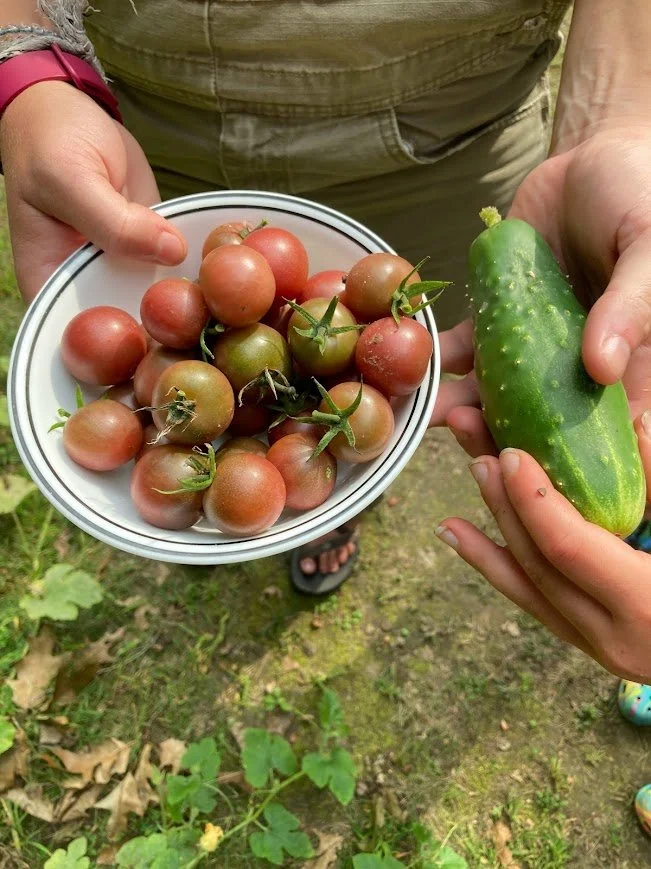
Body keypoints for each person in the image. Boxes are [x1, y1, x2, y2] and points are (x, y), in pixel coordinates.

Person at [1, 2, 650, 678]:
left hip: (453, 131)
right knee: (341, 391)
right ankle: (317, 493)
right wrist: (29, 60)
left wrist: (614, 117)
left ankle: (328, 497)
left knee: (413, 348)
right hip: (158, 130)